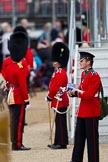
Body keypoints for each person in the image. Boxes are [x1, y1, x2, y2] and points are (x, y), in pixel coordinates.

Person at [68, 52, 101, 162]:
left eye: (82, 60)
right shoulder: (84, 74)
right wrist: (73, 91)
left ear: (88, 62)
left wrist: (76, 93)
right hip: (83, 111)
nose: (80, 62)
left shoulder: (94, 75)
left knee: (92, 141)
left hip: (91, 111)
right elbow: (82, 87)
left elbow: (89, 95)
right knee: (79, 139)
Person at [1, 31, 31, 151]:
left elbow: (4, 76)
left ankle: (13, 142)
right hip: (18, 95)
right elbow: (23, 85)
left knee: (13, 120)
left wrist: (8, 87)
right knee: (18, 122)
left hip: (10, 92)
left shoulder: (7, 63)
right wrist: (26, 98)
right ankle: (17, 144)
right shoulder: (21, 66)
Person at [46, 42, 69, 149]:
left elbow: (55, 88)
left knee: (60, 123)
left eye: (55, 62)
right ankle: (57, 141)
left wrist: (49, 97)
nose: (53, 63)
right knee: (58, 122)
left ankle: (62, 143)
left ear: (59, 62)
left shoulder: (60, 73)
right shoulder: (58, 71)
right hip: (58, 99)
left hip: (60, 99)